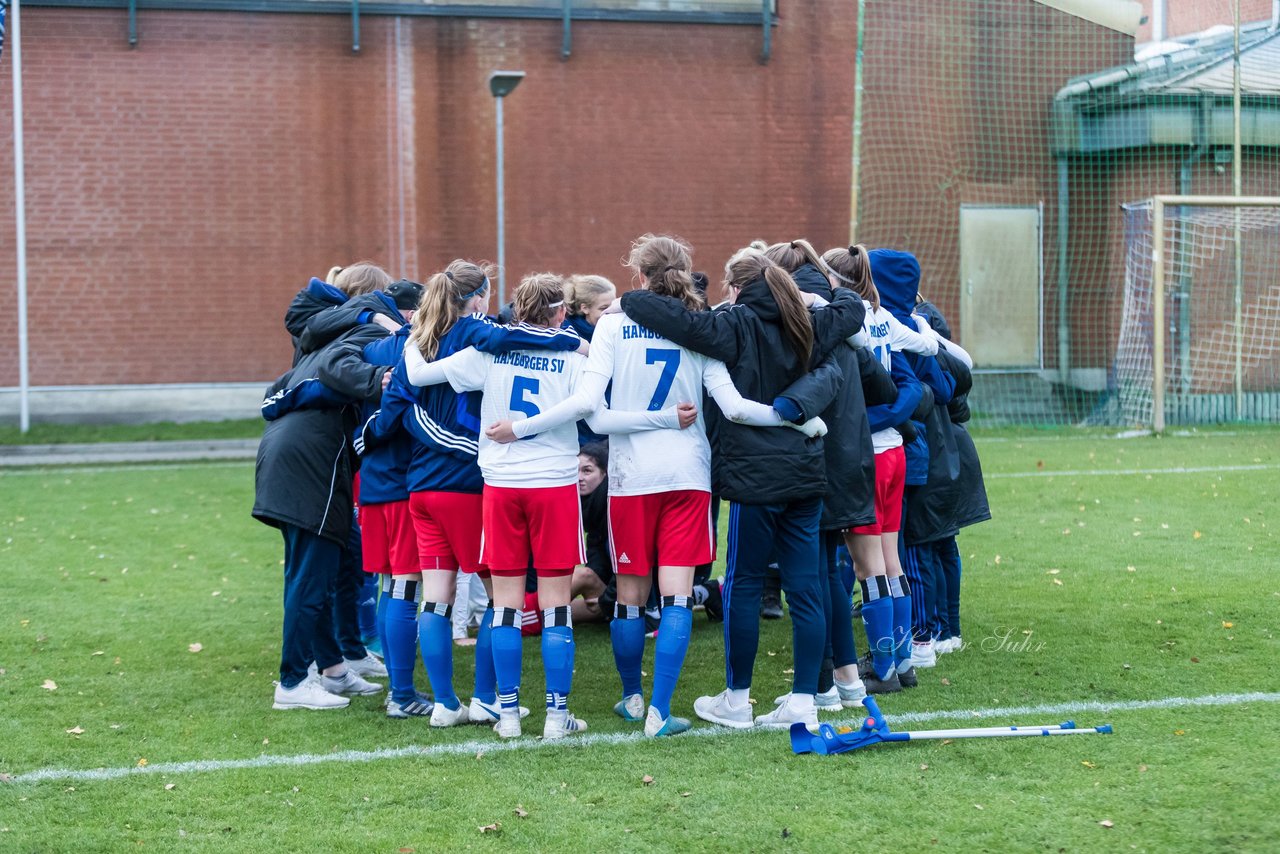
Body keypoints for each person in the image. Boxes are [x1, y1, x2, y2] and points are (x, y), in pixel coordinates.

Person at [486, 235, 822, 736]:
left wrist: (654, 419)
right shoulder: (702, 327)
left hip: (629, 479)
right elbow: (732, 408)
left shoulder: (614, 326)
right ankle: (660, 713)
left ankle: (633, 698)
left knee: (629, 597)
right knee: (678, 598)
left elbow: (595, 418)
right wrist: (800, 422)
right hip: (687, 477)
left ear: (638, 277)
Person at [405, 272, 682, 739]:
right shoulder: (575, 354)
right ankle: (557, 716)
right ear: (560, 311)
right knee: (555, 606)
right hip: (553, 485)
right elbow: (590, 408)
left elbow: (417, 375)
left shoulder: (489, 350)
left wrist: (413, 335)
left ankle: (508, 715)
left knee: (506, 606)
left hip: (501, 486)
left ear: (517, 307)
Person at [619, 246, 864, 730]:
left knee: (745, 584)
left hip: (757, 479)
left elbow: (649, 307)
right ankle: (802, 701)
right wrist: (814, 301)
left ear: (735, 288)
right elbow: (852, 307)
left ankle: (738, 697)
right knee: (807, 586)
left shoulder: (733, 325)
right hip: (806, 473)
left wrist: (627, 300)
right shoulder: (807, 323)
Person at [370, 260, 585, 724]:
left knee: (435, 595)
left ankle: (444, 703)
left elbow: (411, 388)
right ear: (480, 298)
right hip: (470, 483)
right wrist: (575, 341)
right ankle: (491, 697)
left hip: (422, 485)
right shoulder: (481, 334)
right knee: (498, 596)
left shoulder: (423, 340)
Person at [254, 265, 402, 711]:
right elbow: (340, 366)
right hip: (308, 463)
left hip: (298, 458)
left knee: (320, 570)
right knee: (308, 578)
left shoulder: (328, 337)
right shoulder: (351, 338)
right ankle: (293, 682)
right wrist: (379, 380)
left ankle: (334, 668)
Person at [763, 239, 896, 711]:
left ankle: (821, 687)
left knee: (812, 580)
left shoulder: (803, 322)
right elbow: (884, 386)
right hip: (851, 461)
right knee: (827, 575)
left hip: (815, 463)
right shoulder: (840, 316)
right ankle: (847, 682)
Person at [563, 275, 617, 341]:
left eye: (613, 306)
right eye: (603, 308)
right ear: (585, 308)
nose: (611, 312)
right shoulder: (568, 333)